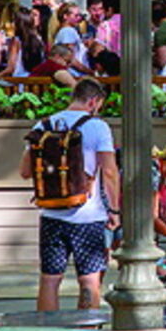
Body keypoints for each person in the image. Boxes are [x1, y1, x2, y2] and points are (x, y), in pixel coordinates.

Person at [18, 78, 120, 312]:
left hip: (51, 213)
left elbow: (25, 172)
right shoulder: (98, 127)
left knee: (50, 279)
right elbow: (110, 171)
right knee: (89, 280)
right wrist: (114, 210)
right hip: (88, 216)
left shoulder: (42, 126)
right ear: (93, 101)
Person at [53, 3, 94, 77]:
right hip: (74, 74)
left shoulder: (65, 31)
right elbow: (69, 58)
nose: (79, 18)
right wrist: (89, 71)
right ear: (65, 16)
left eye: (79, 15)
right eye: (76, 15)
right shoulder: (68, 31)